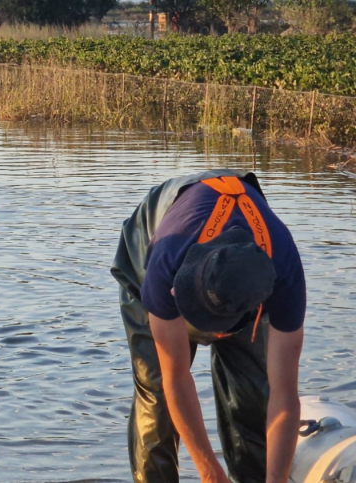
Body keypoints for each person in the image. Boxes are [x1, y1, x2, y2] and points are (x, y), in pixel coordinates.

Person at [110, 170, 306, 483]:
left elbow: (284, 394)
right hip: (150, 242)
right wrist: (208, 470)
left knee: (254, 396)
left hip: (243, 282)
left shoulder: (285, 275)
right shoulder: (164, 266)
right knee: (157, 393)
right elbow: (176, 377)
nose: (213, 334)